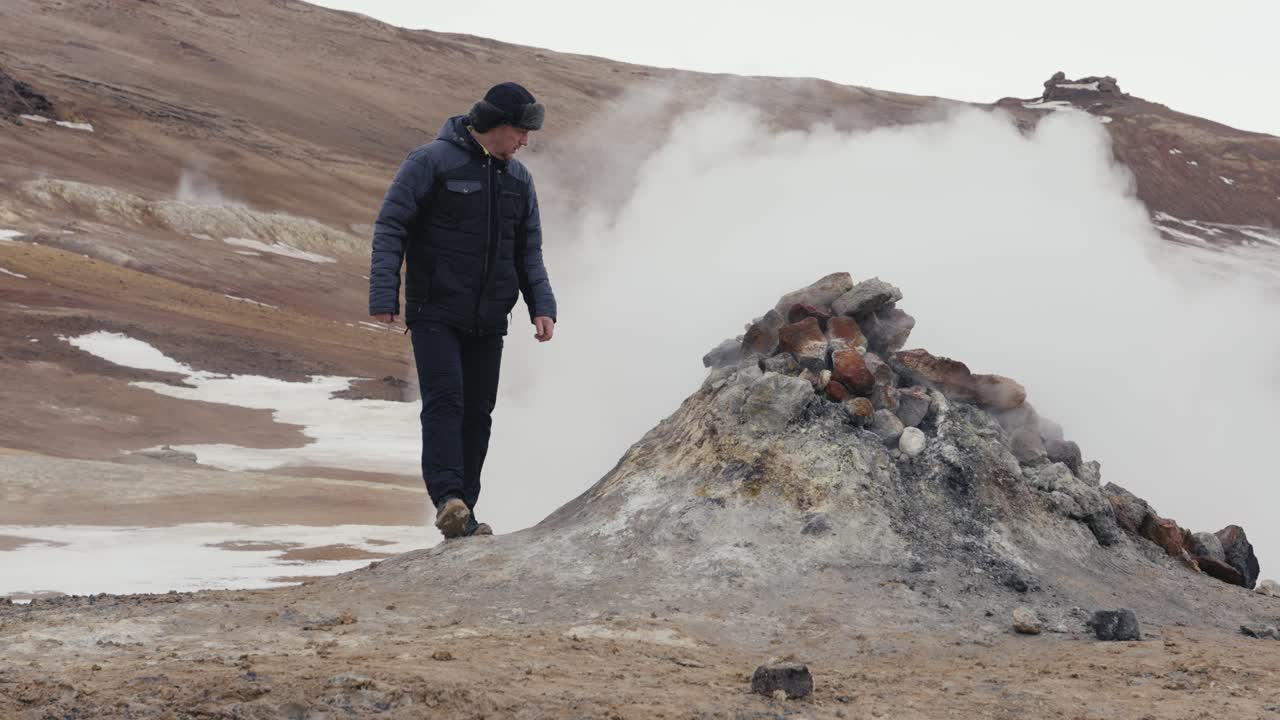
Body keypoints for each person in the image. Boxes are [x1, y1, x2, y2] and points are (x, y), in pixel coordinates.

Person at [368, 82, 557, 539]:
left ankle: (464, 512)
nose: (525, 142)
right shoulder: (430, 162)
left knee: (478, 412)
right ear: (496, 125)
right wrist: (383, 294)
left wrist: (542, 305)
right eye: (520, 131)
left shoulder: (518, 179)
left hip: (490, 317)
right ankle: (448, 497)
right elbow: (391, 225)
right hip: (436, 309)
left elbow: (528, 250)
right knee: (446, 401)